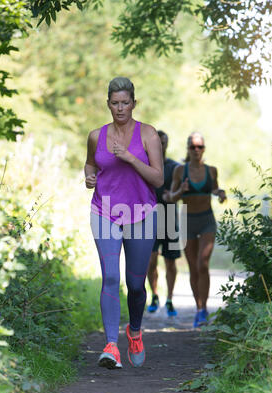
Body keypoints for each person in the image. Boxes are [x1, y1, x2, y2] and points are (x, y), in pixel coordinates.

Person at [84, 77, 163, 369]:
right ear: (108, 104)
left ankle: (135, 331)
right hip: (104, 211)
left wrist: (130, 158)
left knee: (135, 284)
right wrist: (89, 177)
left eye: (125, 103)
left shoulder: (148, 135)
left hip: (141, 213)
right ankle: (111, 345)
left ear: (134, 103)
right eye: (115, 103)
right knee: (110, 277)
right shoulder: (96, 136)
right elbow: (91, 164)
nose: (120, 108)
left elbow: (158, 179)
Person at [168, 132, 226, 328]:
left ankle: (204, 309)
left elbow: (215, 189)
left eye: (199, 147)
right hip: (187, 221)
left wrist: (221, 193)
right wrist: (180, 191)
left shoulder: (211, 171)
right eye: (193, 147)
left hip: (207, 220)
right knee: (193, 267)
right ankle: (199, 308)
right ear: (187, 148)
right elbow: (170, 197)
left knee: (203, 263)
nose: (196, 150)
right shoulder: (179, 171)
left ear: (204, 149)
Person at [147, 131, 181, 317]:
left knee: (170, 262)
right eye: (158, 142)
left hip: (169, 217)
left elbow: (182, 191)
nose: (161, 145)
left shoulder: (175, 167)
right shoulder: (144, 165)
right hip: (149, 218)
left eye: (164, 142)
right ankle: (154, 295)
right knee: (150, 261)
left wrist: (174, 196)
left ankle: (169, 299)